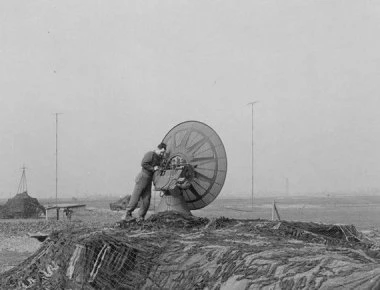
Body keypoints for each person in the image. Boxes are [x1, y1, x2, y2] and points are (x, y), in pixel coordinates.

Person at [122, 142, 167, 221]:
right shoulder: (150, 154)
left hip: (149, 179)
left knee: (147, 199)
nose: (162, 154)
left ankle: (141, 217)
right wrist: (153, 168)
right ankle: (127, 214)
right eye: (162, 152)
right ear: (159, 149)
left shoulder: (159, 158)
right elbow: (144, 163)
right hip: (143, 177)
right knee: (136, 197)